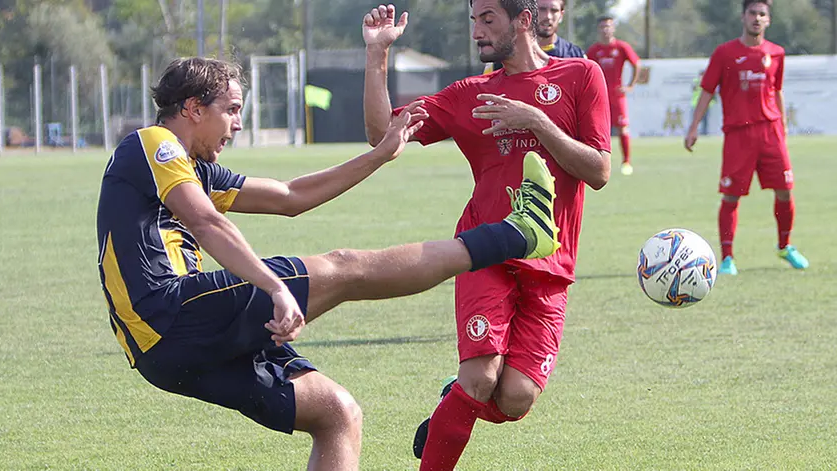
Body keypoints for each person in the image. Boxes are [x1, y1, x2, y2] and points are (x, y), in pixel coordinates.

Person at [96, 57, 562, 471]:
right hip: (169, 314)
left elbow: (291, 196)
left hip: (167, 349)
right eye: (232, 110)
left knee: (337, 413)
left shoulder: (196, 169)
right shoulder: (154, 143)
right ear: (194, 109)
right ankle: (515, 234)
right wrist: (274, 286)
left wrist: (379, 155)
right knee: (344, 269)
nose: (238, 124)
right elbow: (206, 223)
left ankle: (515, 234)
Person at [362, 2, 611, 469]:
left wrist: (537, 121)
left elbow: (598, 170)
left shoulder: (581, 75)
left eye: (488, 19)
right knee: (480, 377)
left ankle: (451, 403)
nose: (477, 31)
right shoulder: (470, 93)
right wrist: (377, 56)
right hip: (482, 253)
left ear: (523, 19)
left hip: (550, 264)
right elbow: (382, 134)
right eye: (473, 20)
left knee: (515, 397)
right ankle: (460, 402)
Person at [684, 0, 809, 275]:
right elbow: (707, 90)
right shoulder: (725, 53)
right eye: (752, 13)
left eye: (762, 14)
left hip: (771, 130)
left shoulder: (777, 53)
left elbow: (777, 90)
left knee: (785, 190)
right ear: (743, 17)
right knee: (731, 196)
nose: (757, 18)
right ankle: (727, 258)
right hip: (738, 133)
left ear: (768, 20)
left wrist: (783, 124)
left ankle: (784, 246)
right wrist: (693, 127)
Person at [587, 15, 640, 176]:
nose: (605, 29)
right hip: (599, 96)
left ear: (613, 28)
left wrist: (630, 85)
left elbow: (636, 64)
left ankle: (626, 161)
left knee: (623, 128)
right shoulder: (594, 50)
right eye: (602, 26)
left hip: (617, 96)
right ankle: (598, 163)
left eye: (608, 26)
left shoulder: (621, 47)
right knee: (597, 130)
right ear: (598, 29)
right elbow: (586, 69)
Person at [483, 0, 585, 74]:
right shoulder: (503, 55)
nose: (548, 16)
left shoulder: (576, 56)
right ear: (529, 13)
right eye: (542, 9)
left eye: (554, 10)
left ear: (561, 15)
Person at [691, 69, 715, 136]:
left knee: (705, 119)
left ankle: (704, 132)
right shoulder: (696, 81)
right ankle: (694, 132)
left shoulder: (708, 81)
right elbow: (693, 88)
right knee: (696, 119)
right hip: (696, 103)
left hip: (706, 104)